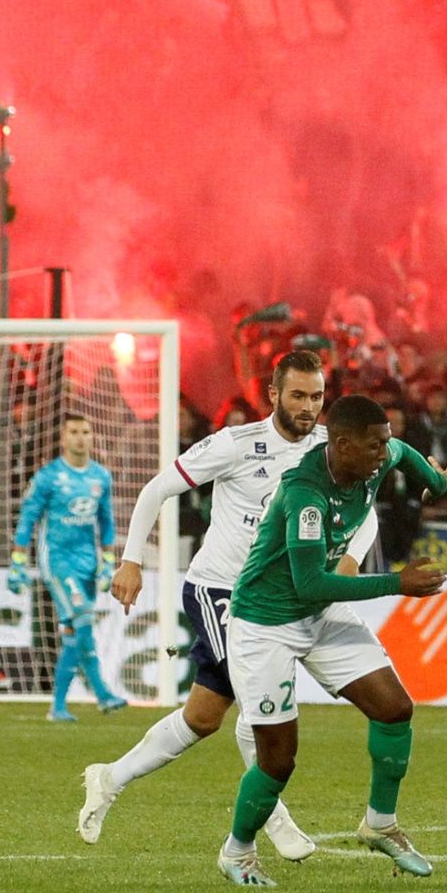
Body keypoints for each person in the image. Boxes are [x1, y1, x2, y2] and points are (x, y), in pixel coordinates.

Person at [81, 350, 363, 860]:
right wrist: (131, 560)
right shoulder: (236, 445)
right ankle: (274, 821)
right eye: (297, 395)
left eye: (317, 397)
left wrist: (352, 559)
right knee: (259, 700)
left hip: (280, 599)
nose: (308, 406)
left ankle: (109, 777)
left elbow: (367, 511)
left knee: (203, 718)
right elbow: (156, 489)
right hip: (220, 591)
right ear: (273, 394)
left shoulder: (328, 449)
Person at [216, 395, 447, 887]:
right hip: (266, 624)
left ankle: (380, 824)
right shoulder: (306, 493)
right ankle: (237, 851)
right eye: (373, 447)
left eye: (383, 442)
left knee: (394, 708)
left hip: (317, 616)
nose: (383, 454)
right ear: (342, 446)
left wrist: (438, 482)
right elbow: (311, 584)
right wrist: (396, 583)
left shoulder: (374, 455)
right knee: (278, 759)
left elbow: (406, 454)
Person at [9, 414, 127, 721]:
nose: (80, 437)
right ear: (63, 438)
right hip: (58, 562)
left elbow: (106, 522)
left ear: (92, 436)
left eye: (85, 432)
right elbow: (27, 519)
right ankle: (100, 691)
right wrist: (18, 562)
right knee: (84, 617)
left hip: (87, 563)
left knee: (77, 632)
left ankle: (59, 707)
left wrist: (108, 562)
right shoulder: (48, 477)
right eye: (73, 432)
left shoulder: (101, 476)